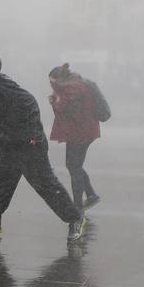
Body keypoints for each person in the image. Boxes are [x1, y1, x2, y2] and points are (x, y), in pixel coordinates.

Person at [0, 52, 88, 241]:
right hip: (9, 147)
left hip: (29, 146)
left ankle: (76, 219)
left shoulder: (3, 86)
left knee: (46, 186)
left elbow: (29, 102)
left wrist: (32, 136)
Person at [47, 63, 104, 211]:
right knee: (74, 165)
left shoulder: (72, 89)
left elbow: (68, 110)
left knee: (74, 166)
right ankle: (90, 195)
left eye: (52, 82)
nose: (51, 86)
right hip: (84, 130)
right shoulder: (77, 84)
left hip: (80, 133)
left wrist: (54, 102)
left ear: (59, 80)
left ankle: (77, 204)